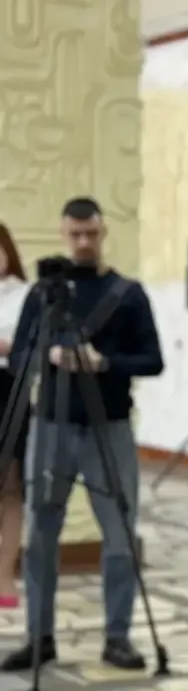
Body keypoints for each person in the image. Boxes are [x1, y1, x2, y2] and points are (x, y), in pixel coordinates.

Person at [2, 197, 164, 672]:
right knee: (41, 534)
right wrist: (47, 356)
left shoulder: (128, 293)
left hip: (108, 428)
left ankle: (118, 636)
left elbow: (153, 360)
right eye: (75, 234)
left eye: (91, 233)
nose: (83, 242)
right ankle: (39, 636)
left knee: (119, 535)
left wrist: (103, 363)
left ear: (103, 233)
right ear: (63, 234)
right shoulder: (43, 295)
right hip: (49, 425)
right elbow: (17, 359)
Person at [0, 225, 30, 608]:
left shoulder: (25, 295)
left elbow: (29, 344)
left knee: (10, 486)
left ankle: (4, 573)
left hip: (8, 390)